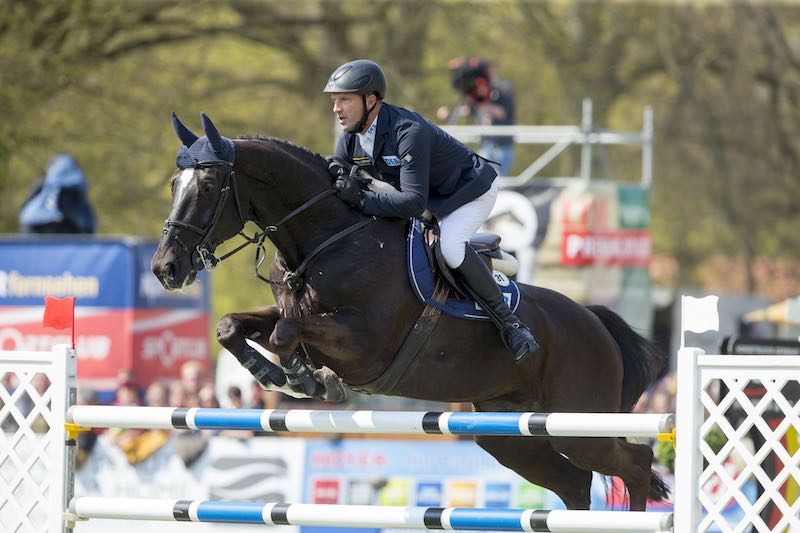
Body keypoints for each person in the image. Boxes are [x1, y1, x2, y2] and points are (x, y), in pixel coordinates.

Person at [324, 59, 539, 362]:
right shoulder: (350, 137)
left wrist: (360, 200)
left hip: (468, 192)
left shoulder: (407, 131)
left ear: (370, 100)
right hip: (432, 200)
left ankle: (511, 325)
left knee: (450, 247)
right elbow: (338, 172)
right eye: (335, 100)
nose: (336, 108)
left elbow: (412, 203)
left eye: (344, 99)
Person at [436, 58, 516, 176]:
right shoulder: (479, 91)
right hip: (486, 144)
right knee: (483, 179)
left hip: (502, 144)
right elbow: (467, 110)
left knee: (500, 182)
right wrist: (451, 111)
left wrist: (480, 105)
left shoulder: (504, 87)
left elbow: (501, 112)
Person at [18, 154, 96, 234]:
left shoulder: (42, 183)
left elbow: (25, 210)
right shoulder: (77, 186)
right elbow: (87, 221)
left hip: (37, 226)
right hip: (68, 227)